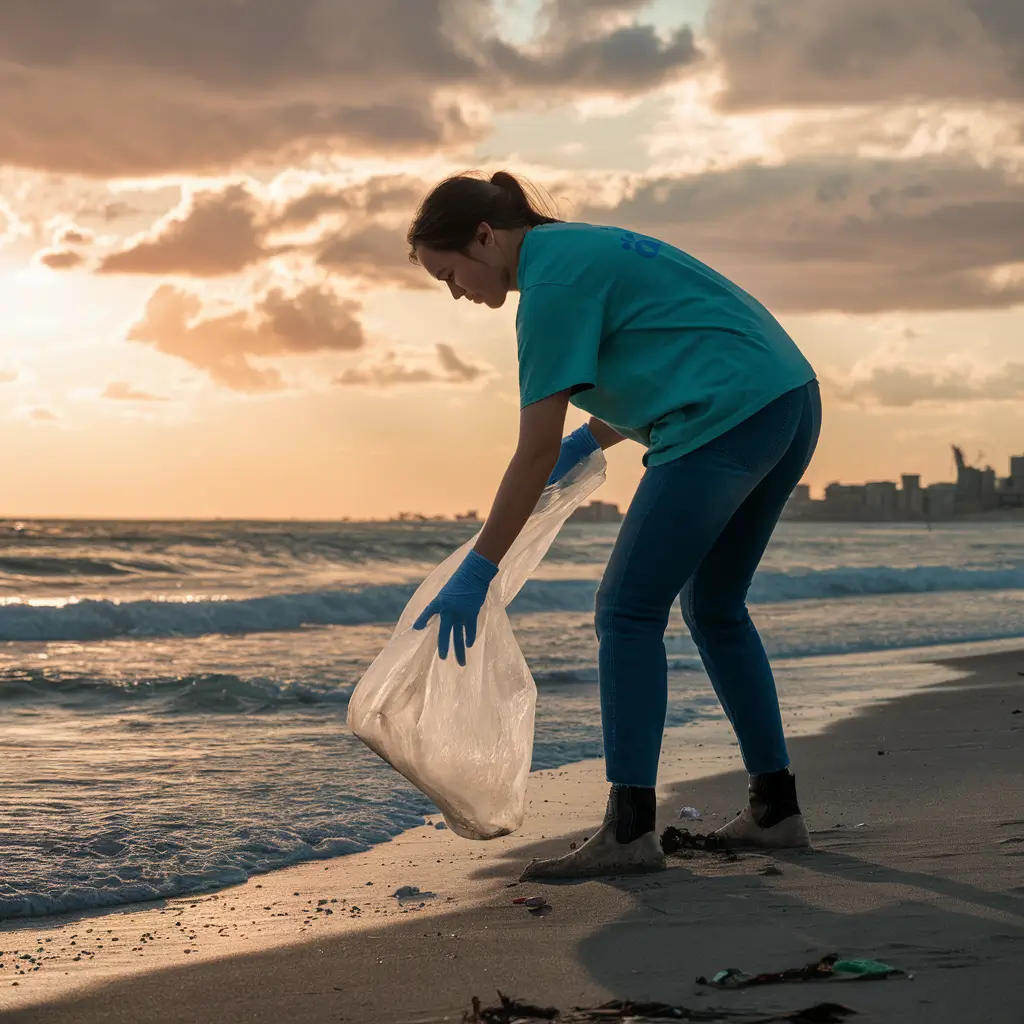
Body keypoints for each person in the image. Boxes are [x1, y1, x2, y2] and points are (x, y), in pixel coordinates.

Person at [408, 170, 821, 880]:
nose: (454, 293)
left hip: (725, 421)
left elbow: (533, 447)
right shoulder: (580, 249)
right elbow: (672, 348)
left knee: (626, 611)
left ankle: (630, 831)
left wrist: (482, 569)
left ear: (484, 236)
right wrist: (594, 439)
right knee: (715, 610)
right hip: (788, 400)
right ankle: (775, 810)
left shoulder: (548, 288)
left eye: (449, 273)